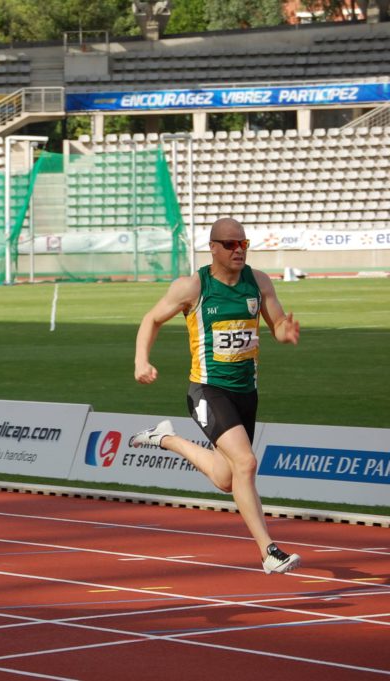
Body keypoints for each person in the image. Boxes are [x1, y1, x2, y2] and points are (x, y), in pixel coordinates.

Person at [133, 217, 301, 575]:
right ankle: (268, 551)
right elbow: (151, 319)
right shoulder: (193, 287)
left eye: (243, 243)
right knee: (247, 464)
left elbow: (278, 324)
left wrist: (286, 332)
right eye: (230, 244)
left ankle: (166, 438)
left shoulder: (259, 282)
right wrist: (141, 360)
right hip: (207, 390)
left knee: (227, 479)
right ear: (213, 248)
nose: (238, 250)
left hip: (245, 392)